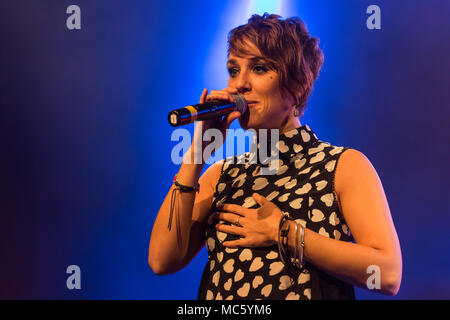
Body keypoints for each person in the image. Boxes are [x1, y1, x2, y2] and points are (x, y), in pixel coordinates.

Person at [148, 13, 402, 300]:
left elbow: (387, 274)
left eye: (258, 68)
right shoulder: (221, 175)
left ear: (296, 85)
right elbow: (161, 260)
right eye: (233, 70)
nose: (239, 84)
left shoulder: (341, 166)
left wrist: (284, 232)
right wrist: (197, 153)